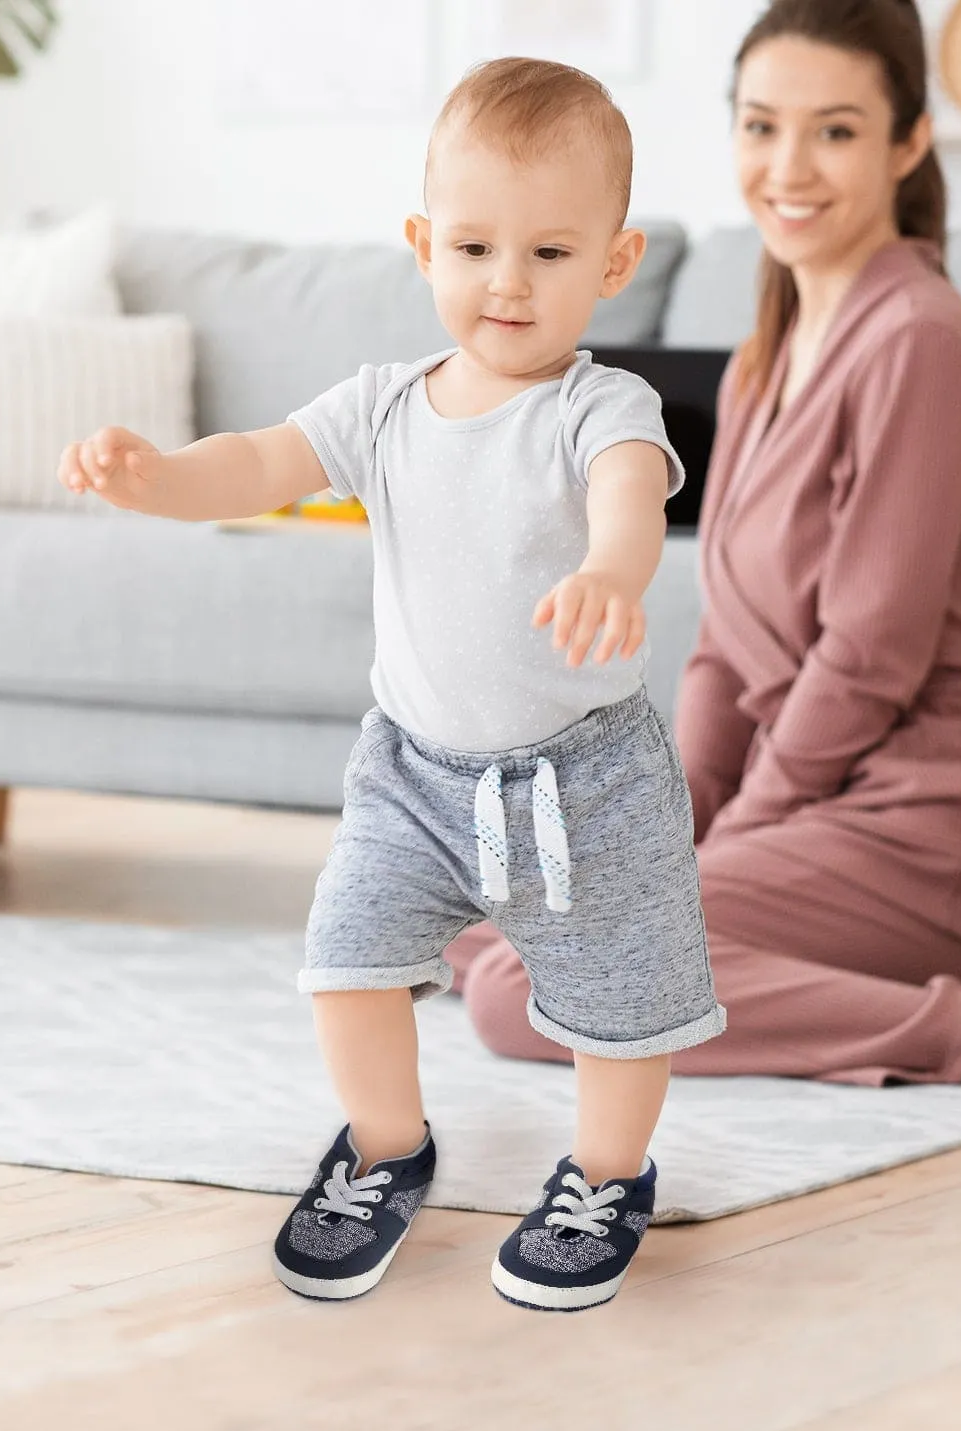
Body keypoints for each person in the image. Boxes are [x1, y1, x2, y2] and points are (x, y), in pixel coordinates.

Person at [449, 0, 961, 1103]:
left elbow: (870, 655)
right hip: (809, 813)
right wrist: (667, 832)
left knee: (520, 987)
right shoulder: (757, 364)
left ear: (907, 142)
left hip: (931, 833)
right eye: (761, 126)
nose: (790, 166)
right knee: (481, 934)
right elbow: (728, 655)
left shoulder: (919, 339)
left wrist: (721, 849)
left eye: (834, 130)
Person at [58, 58, 725, 1313]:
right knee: (347, 959)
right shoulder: (381, 406)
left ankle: (604, 1174)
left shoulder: (602, 405)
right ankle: (383, 1148)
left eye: (549, 251)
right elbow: (257, 459)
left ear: (616, 264)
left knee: (622, 1002)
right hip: (413, 771)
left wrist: (611, 571)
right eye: (474, 245)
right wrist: (156, 477)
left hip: (583, 774)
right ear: (423, 243)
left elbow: (634, 492)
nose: (508, 282)